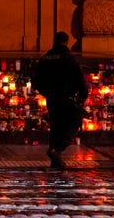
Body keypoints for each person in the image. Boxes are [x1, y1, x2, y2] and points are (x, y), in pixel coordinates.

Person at [31, 31, 88, 169]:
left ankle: (55, 159)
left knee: (56, 126)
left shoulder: (45, 58)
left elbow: (36, 80)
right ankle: (57, 150)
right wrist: (83, 94)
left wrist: (46, 93)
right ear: (66, 42)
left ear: (54, 40)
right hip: (67, 98)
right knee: (72, 125)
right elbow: (79, 77)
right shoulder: (69, 58)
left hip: (52, 98)